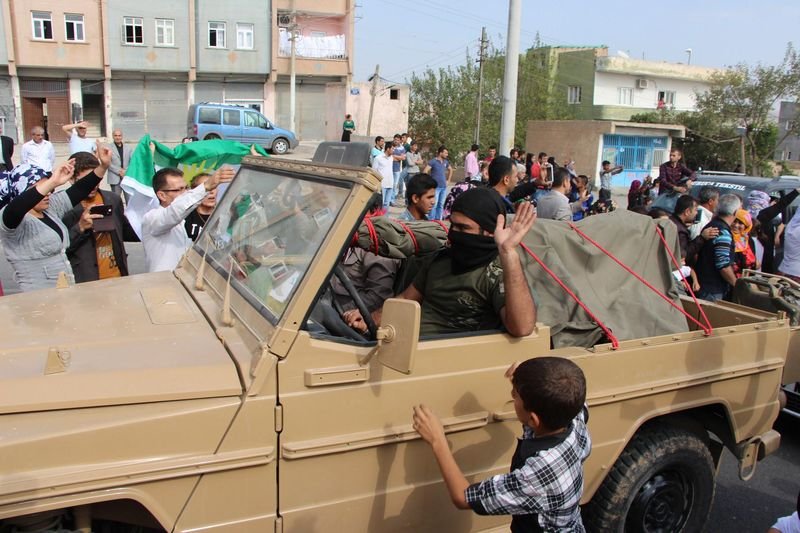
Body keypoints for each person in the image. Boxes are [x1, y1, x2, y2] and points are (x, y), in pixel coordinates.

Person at [412, 357, 591, 532]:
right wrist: (529, 379)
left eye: (516, 397)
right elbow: (563, 392)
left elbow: (463, 497)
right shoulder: (573, 420)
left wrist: (437, 440)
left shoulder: (537, 476)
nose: (512, 395)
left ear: (533, 419)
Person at [345, 188, 537, 337]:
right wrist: (369, 319)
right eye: (453, 225)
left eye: (464, 228)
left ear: (489, 231)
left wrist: (508, 251)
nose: (455, 233)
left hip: (448, 359)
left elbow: (522, 327)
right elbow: (404, 300)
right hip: (404, 345)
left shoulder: (497, 273)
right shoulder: (440, 259)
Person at [0, 144, 111, 291]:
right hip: (37, 296)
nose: (47, 193)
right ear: (21, 192)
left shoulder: (50, 208)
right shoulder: (11, 219)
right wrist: (52, 181)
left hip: (64, 289)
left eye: (48, 188)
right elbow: (18, 206)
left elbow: (78, 190)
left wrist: (103, 166)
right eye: (41, 188)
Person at [61, 152, 138, 283]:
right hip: (86, 281)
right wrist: (80, 227)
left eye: (96, 179)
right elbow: (59, 249)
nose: (92, 185)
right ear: (71, 179)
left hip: (117, 276)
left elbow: (125, 231)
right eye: (85, 181)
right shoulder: (62, 207)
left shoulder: (112, 199)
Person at [141, 166, 234, 272]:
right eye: (179, 189)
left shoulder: (182, 220)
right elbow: (174, 212)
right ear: (162, 195)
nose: (185, 193)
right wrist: (206, 187)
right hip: (163, 284)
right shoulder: (152, 218)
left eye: (186, 188)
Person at [694, 193, 741, 301]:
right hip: (712, 289)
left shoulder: (711, 225)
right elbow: (723, 265)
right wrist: (736, 284)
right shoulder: (723, 232)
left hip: (705, 284)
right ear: (735, 212)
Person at [669, 194, 718, 267]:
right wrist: (702, 237)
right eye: (695, 210)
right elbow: (684, 255)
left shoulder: (671, 221)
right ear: (687, 212)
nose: (697, 213)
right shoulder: (680, 231)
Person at [184, 173, 217, 241]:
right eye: (206, 188)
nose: (211, 192)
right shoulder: (185, 216)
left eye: (214, 187)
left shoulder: (225, 214)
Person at [423, 145, 453, 220]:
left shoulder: (446, 162)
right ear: (440, 153)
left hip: (443, 187)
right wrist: (429, 181)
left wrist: (448, 180)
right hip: (435, 187)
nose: (447, 154)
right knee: (434, 204)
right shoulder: (433, 161)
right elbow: (425, 171)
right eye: (445, 153)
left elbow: (451, 169)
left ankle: (438, 221)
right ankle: (431, 220)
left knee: (441, 204)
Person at [731, 208, 758, 276]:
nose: (736, 225)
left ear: (746, 226)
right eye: (734, 221)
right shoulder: (726, 237)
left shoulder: (748, 240)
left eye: (740, 223)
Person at [107, 129, 132, 196]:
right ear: (113, 136)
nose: (117, 137)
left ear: (122, 136)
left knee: (129, 200)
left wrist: (125, 171)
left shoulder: (128, 148)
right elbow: (107, 163)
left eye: (119, 135)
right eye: (115, 135)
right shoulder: (108, 147)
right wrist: (119, 171)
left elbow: (132, 162)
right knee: (116, 200)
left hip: (126, 177)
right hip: (115, 178)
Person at [371, 143, 395, 211]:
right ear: (388, 149)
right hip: (382, 184)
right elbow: (374, 171)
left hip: (390, 183)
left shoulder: (391, 158)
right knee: (381, 203)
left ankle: (385, 219)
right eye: (392, 149)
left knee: (387, 203)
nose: (393, 150)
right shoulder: (378, 158)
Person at [391, 134, 407, 205]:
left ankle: (392, 200)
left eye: (398, 140)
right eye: (395, 139)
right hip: (388, 169)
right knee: (388, 185)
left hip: (396, 169)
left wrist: (394, 156)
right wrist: (398, 157)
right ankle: (387, 200)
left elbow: (403, 158)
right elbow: (389, 156)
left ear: (400, 141)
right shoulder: (390, 146)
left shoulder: (402, 148)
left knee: (394, 185)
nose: (396, 141)